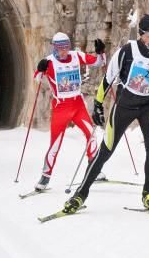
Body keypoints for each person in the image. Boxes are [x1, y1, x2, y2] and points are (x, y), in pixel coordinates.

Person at [63, 14, 149, 214]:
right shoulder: (128, 51)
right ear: (141, 34)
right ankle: (80, 194)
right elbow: (108, 79)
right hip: (124, 106)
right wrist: (98, 105)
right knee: (105, 151)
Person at [32, 32, 106, 191]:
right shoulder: (49, 62)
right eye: (60, 48)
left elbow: (99, 63)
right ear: (54, 48)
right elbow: (37, 78)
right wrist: (40, 68)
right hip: (61, 107)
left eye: (67, 47)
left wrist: (101, 52)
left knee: (91, 133)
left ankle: (94, 168)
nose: (64, 51)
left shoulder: (76, 56)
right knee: (55, 143)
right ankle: (45, 177)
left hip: (78, 105)